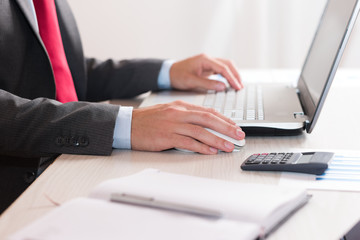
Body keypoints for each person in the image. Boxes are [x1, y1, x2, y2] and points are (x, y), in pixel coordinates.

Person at [0, 0, 245, 212]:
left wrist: (165, 72)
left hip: (66, 166)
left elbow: (60, 71)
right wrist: (123, 124)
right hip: (18, 197)